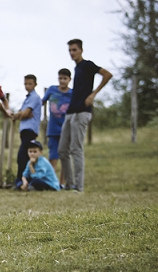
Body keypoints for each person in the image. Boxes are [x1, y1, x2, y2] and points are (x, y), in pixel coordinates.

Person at [59, 39, 112, 192]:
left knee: (76, 149)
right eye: (70, 50)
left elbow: (107, 75)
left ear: (81, 50)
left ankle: (79, 187)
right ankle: (69, 184)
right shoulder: (77, 69)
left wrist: (93, 94)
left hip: (82, 112)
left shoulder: (87, 65)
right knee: (63, 150)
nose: (72, 53)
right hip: (71, 112)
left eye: (74, 50)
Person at [41, 69, 72, 186]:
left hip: (66, 128)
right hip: (53, 129)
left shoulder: (72, 93)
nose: (62, 81)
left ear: (69, 80)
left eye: (65, 79)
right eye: (60, 78)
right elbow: (42, 102)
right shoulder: (52, 90)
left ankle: (62, 182)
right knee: (53, 156)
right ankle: (51, 181)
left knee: (65, 156)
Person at [12, 75, 41, 189]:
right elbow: (22, 113)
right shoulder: (27, 98)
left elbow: (24, 114)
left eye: (30, 84)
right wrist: (21, 114)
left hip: (30, 129)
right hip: (24, 130)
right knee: (24, 155)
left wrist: (20, 115)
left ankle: (21, 180)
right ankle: (25, 180)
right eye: (26, 84)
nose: (27, 86)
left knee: (23, 156)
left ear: (35, 84)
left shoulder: (34, 97)